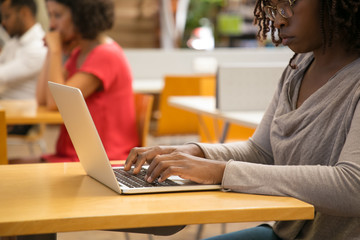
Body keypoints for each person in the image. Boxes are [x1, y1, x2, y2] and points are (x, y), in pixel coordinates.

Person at [124, 0, 360, 239]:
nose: (278, 21)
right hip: (285, 234)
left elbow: (353, 186)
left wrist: (221, 171)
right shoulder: (297, 68)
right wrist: (192, 152)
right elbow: (261, 152)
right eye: (273, 9)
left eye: (288, 4)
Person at [37, 0, 139, 162]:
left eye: (58, 15)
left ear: (80, 16)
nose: (52, 25)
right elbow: (43, 98)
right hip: (76, 156)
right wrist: (51, 50)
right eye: (50, 16)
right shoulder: (79, 53)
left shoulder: (106, 55)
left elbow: (55, 103)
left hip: (103, 160)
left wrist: (56, 50)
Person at [0, 0, 47, 135]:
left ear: (24, 13)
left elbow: (1, 76)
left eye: (7, 16)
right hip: (5, 110)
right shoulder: (14, 42)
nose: (3, 22)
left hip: (22, 118)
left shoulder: (39, 46)